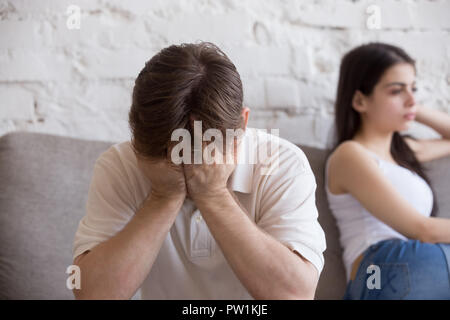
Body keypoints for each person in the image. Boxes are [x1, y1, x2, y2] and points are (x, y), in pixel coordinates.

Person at [71, 42, 326, 300]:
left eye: (202, 153)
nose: (187, 168)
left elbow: (294, 295)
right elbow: (91, 294)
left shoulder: (282, 163)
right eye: (168, 157)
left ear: (242, 126)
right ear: (135, 135)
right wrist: (164, 196)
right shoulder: (120, 165)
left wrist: (213, 194)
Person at [326, 42, 450, 299]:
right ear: (359, 100)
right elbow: (423, 230)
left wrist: (409, 106)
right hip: (381, 269)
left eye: (413, 89)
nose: (411, 99)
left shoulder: (406, 152)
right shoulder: (350, 155)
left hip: (418, 263)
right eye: (396, 90)